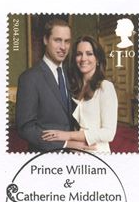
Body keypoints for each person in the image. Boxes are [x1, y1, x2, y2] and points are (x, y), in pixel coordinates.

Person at [41, 36, 118, 153]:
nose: (83, 58)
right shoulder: (73, 87)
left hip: (96, 152)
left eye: (89, 53)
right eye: (79, 54)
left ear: (97, 59)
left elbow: (108, 133)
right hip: (75, 150)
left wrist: (67, 135)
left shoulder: (105, 87)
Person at [16, 18, 75, 152]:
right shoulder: (29, 78)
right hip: (44, 156)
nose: (63, 47)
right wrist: (65, 144)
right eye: (57, 40)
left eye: (67, 41)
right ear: (45, 40)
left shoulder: (71, 75)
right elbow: (26, 128)